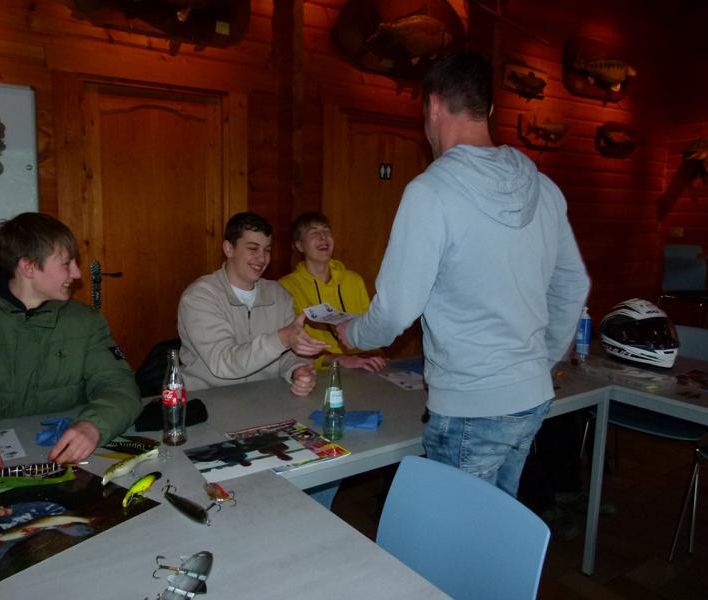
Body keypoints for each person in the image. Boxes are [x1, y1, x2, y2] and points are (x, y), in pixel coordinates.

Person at [338, 51, 590, 497]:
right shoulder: (545, 188)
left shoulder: (430, 192)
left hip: (472, 407)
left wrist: (353, 332)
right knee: (493, 523)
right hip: (530, 398)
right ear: (488, 109)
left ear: (434, 105)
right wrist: (540, 362)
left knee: (457, 535)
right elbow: (573, 284)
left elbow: (396, 310)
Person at [0, 212, 142, 472]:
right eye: (67, 263)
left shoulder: (86, 323)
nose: (77, 273)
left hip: (66, 466)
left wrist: (93, 426)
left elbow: (120, 387)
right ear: (28, 267)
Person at [177, 212, 328, 396]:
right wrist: (282, 338)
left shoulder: (279, 295)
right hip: (208, 402)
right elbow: (223, 362)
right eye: (253, 248)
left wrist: (298, 370)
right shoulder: (199, 296)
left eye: (267, 250)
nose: (262, 258)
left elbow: (290, 355)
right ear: (229, 249)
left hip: (264, 400)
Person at [279, 212, 386, 372]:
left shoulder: (354, 280)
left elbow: (369, 329)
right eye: (314, 232)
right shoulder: (286, 287)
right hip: (319, 373)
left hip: (364, 366)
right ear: (299, 245)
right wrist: (339, 360)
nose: (323, 237)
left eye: (327, 231)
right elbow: (291, 351)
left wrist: (372, 354)